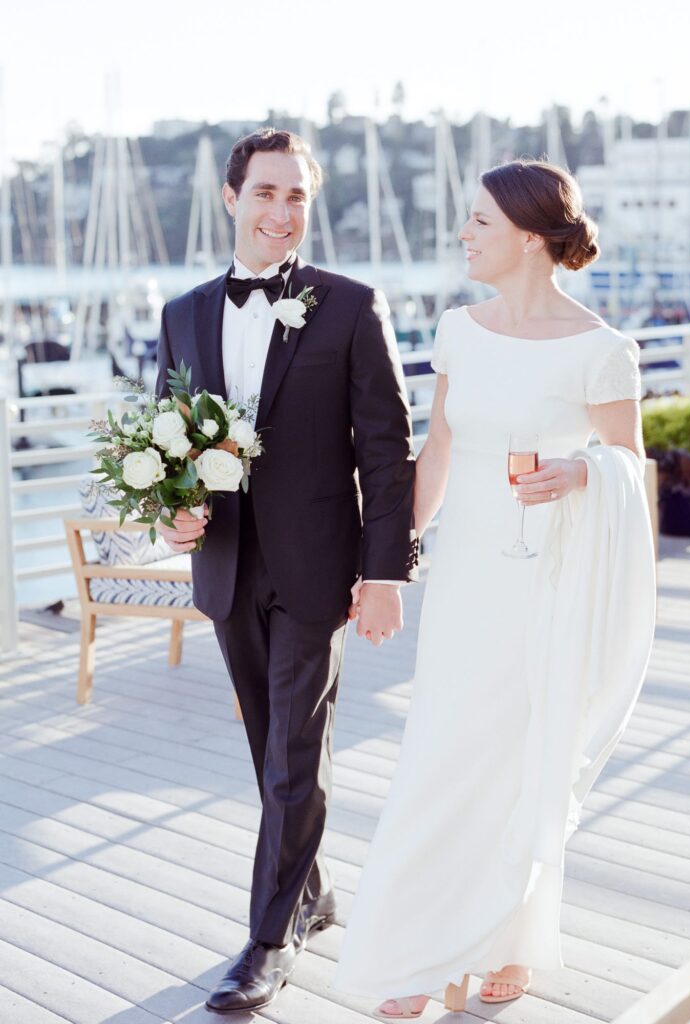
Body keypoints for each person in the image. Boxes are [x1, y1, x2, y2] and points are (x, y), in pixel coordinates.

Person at [336, 159, 656, 1017]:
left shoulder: (603, 349)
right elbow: (436, 452)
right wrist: (388, 566)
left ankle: (508, 936)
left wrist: (582, 472)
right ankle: (413, 954)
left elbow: (631, 466)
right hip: (468, 576)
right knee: (441, 754)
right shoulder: (458, 329)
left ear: (526, 234)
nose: (463, 236)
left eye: (478, 222)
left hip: (547, 580)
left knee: (523, 756)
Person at [155, 128, 418, 1015]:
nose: (281, 213)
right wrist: (176, 511)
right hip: (226, 567)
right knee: (268, 743)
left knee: (295, 753)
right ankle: (314, 887)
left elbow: (388, 454)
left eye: (296, 197)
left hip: (317, 566)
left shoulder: (350, 305)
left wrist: (386, 573)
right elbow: (170, 446)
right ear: (232, 198)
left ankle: (268, 941)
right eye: (266, 194)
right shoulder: (183, 313)